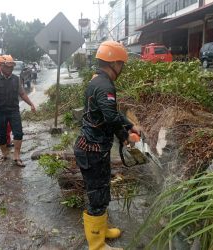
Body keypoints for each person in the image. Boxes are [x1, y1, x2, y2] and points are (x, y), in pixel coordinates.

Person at [74, 41, 140, 249]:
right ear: (115, 63)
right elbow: (111, 118)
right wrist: (125, 136)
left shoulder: (99, 81)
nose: (121, 68)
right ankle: (96, 244)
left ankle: (101, 230)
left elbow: (111, 111)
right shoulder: (104, 85)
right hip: (92, 150)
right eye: (121, 64)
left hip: (95, 148)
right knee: (97, 196)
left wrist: (129, 125)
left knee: (102, 191)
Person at [0, 55, 36, 167]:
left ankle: (17, 156)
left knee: (18, 133)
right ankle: (4, 154)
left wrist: (31, 104)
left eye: (12, 67)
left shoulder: (16, 79)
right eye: (8, 67)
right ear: (1, 66)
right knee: (2, 135)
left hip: (13, 111)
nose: (10, 69)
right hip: (0, 111)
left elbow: (22, 94)